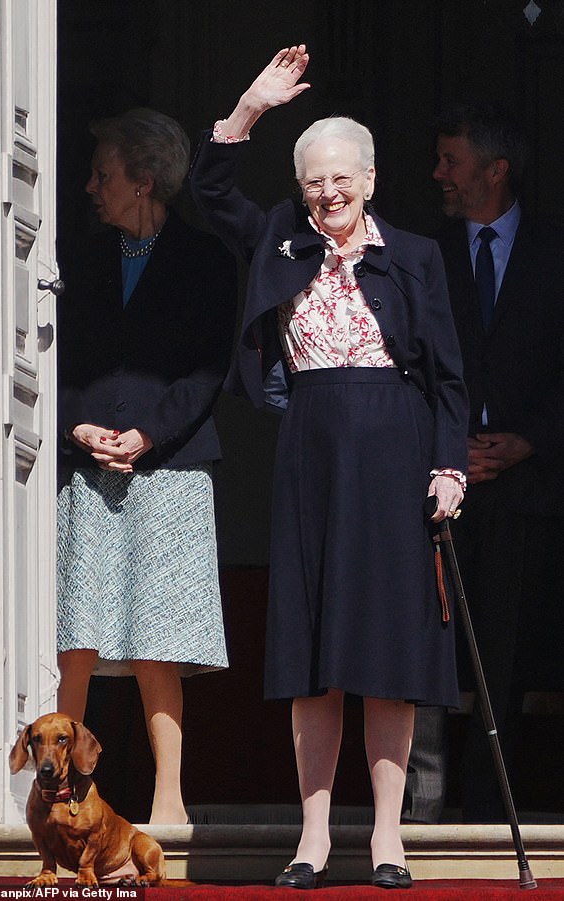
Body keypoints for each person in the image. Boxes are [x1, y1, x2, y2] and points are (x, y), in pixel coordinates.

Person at [190, 46, 468, 889]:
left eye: (342, 177)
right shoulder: (280, 234)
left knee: (389, 650)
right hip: (309, 447)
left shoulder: (415, 254)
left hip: (396, 447)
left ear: (372, 179)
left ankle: (389, 835)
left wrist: (450, 467)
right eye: (314, 180)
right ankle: (313, 836)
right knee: (313, 651)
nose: (328, 192)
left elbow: (450, 375)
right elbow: (208, 191)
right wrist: (248, 109)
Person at [55, 106, 237, 825]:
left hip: (171, 467)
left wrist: (146, 436)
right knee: (78, 634)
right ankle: (59, 793)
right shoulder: (75, 257)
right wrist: (76, 424)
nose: (91, 188)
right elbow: (49, 356)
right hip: (87, 466)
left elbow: (206, 369)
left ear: (146, 179)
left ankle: (168, 800)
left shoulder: (207, 259)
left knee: (160, 637)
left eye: (104, 175)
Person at [404, 103, 564, 824]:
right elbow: (405, 365)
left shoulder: (555, 251)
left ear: (495, 170)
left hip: (532, 486)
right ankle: (427, 803)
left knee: (508, 652)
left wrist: (530, 438)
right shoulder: (422, 255)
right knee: (430, 643)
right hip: (443, 482)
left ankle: (493, 804)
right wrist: (447, 441)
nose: (439, 173)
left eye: (452, 160)